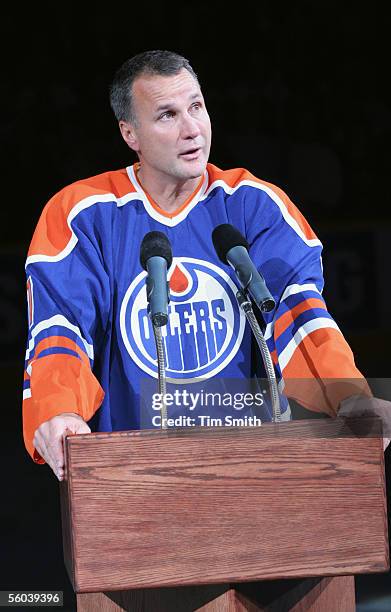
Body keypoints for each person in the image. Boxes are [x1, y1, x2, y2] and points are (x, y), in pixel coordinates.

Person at [22, 50, 389, 482]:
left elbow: (296, 310)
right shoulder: (83, 214)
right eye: (167, 115)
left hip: (251, 465)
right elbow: (61, 327)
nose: (192, 129)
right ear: (130, 133)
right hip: (133, 474)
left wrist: (349, 393)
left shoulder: (254, 204)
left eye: (196, 106)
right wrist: (58, 408)